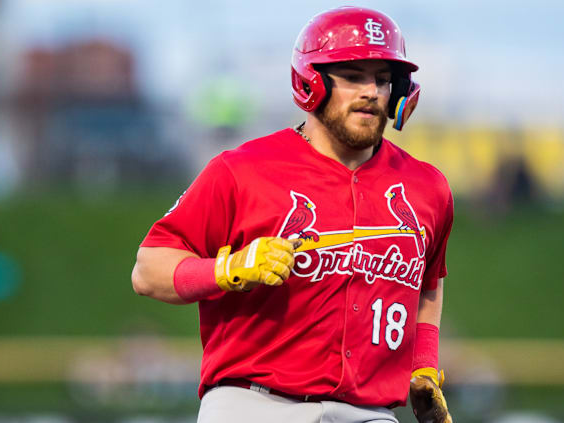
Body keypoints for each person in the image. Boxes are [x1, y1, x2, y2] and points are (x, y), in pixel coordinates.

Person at [131, 6, 453, 423]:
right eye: (353, 75)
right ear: (312, 82)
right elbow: (148, 269)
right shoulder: (243, 170)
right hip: (255, 403)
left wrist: (424, 365)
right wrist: (229, 269)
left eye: (383, 78)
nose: (372, 91)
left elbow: (428, 284)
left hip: (370, 411)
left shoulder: (427, 187)